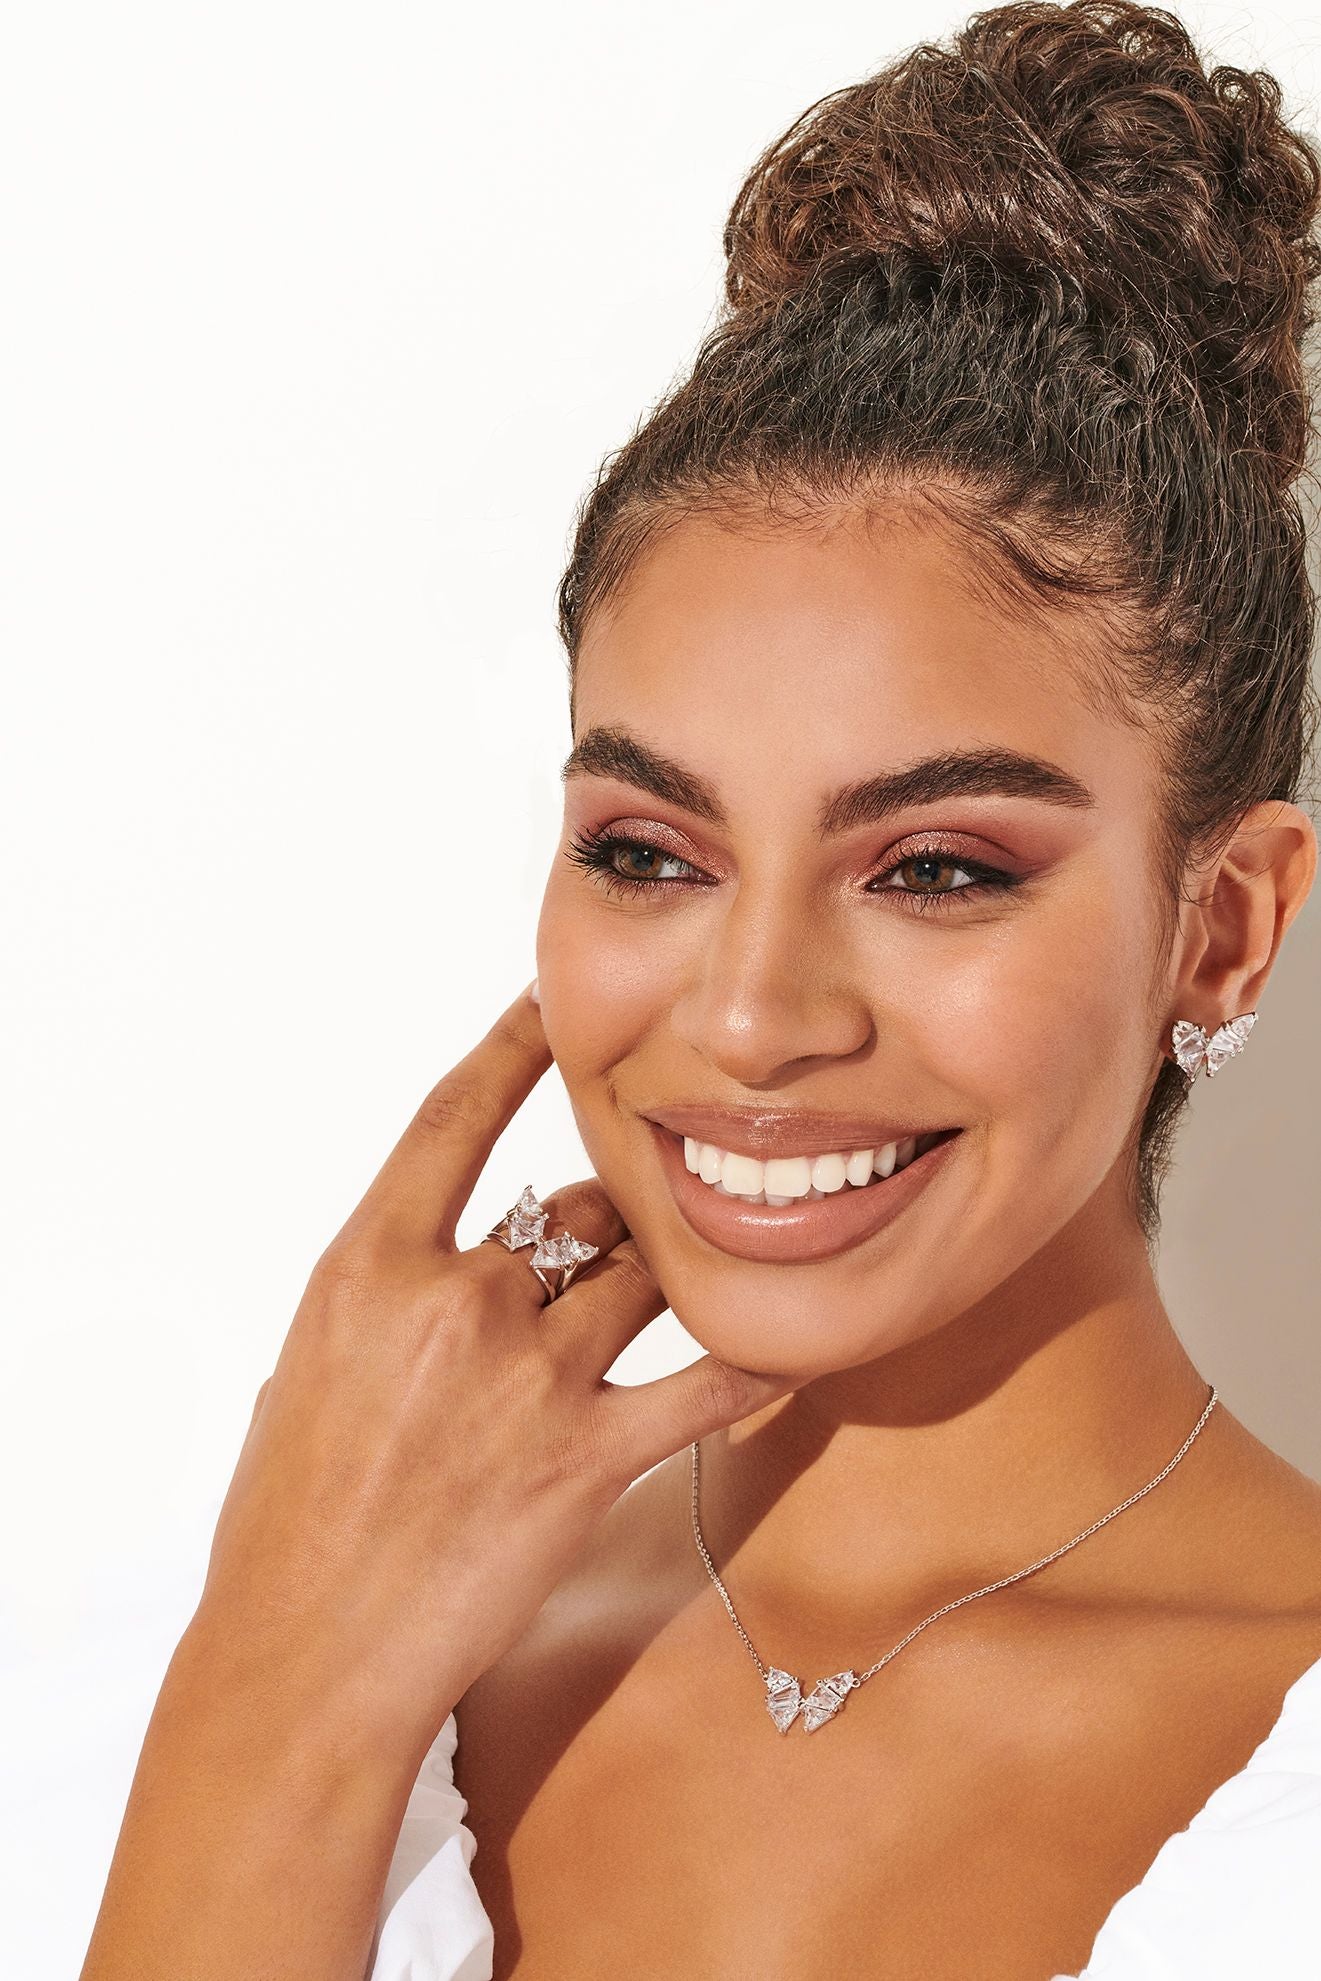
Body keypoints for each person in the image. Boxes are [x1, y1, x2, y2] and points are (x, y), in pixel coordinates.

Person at [79, 1, 1321, 1976]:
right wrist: (279, 1677)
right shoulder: (303, 1629)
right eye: (649, 850)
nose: (748, 1018)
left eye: (932, 867)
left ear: (1224, 925)